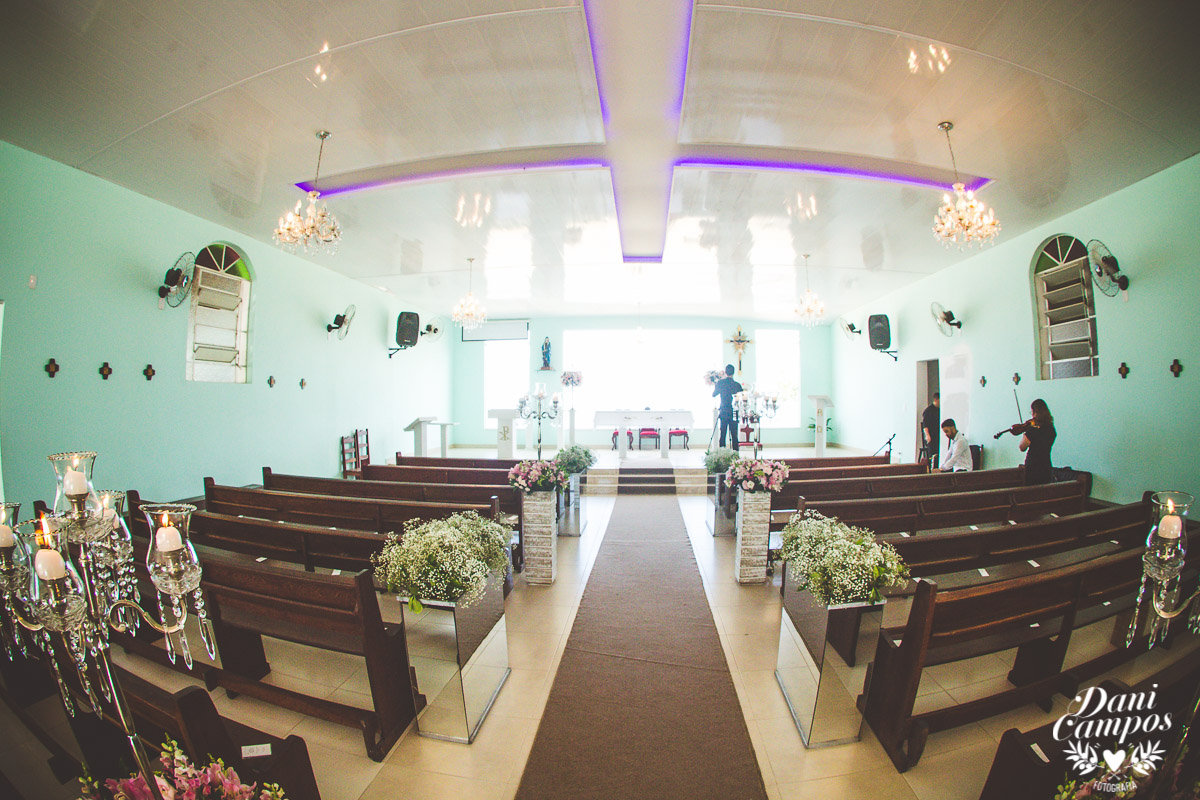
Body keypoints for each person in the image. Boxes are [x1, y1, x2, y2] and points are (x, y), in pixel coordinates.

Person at [1019, 398, 1056, 485]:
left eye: (1032, 411)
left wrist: (1025, 434)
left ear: (1035, 412)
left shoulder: (1032, 431)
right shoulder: (1051, 429)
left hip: (1033, 467)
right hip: (1046, 465)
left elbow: (1022, 447)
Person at [713, 364, 743, 450]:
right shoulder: (737, 385)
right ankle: (735, 455)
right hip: (734, 412)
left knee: (723, 434)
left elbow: (714, 394)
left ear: (725, 372)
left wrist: (716, 384)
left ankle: (722, 454)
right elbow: (741, 398)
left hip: (724, 411)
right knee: (734, 435)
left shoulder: (720, 383)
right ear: (733, 373)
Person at [920, 393, 940, 467]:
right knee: (932, 452)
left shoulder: (940, 410)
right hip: (931, 435)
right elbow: (925, 424)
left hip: (938, 434)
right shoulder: (928, 411)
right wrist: (927, 435)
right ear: (936, 399)